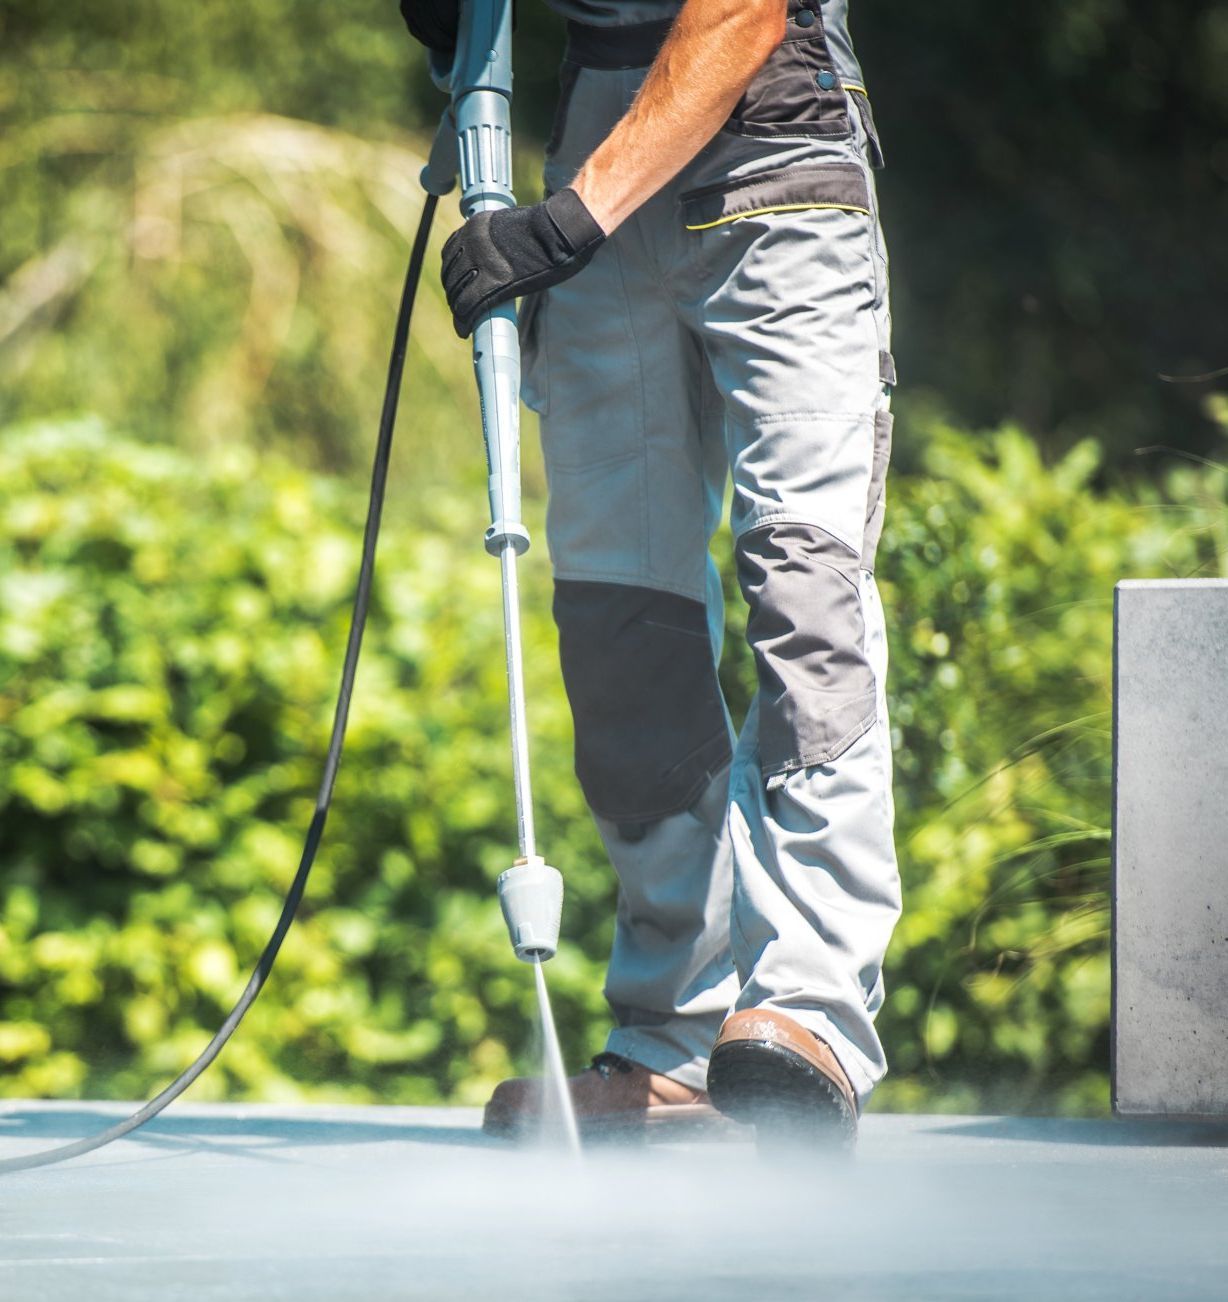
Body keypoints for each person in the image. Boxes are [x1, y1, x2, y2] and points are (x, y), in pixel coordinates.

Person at [402, 0, 900, 1142]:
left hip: (777, 149)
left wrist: (567, 221)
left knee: (802, 588)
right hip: (596, 139)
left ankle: (810, 1008)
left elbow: (739, 16)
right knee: (621, 618)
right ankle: (675, 1036)